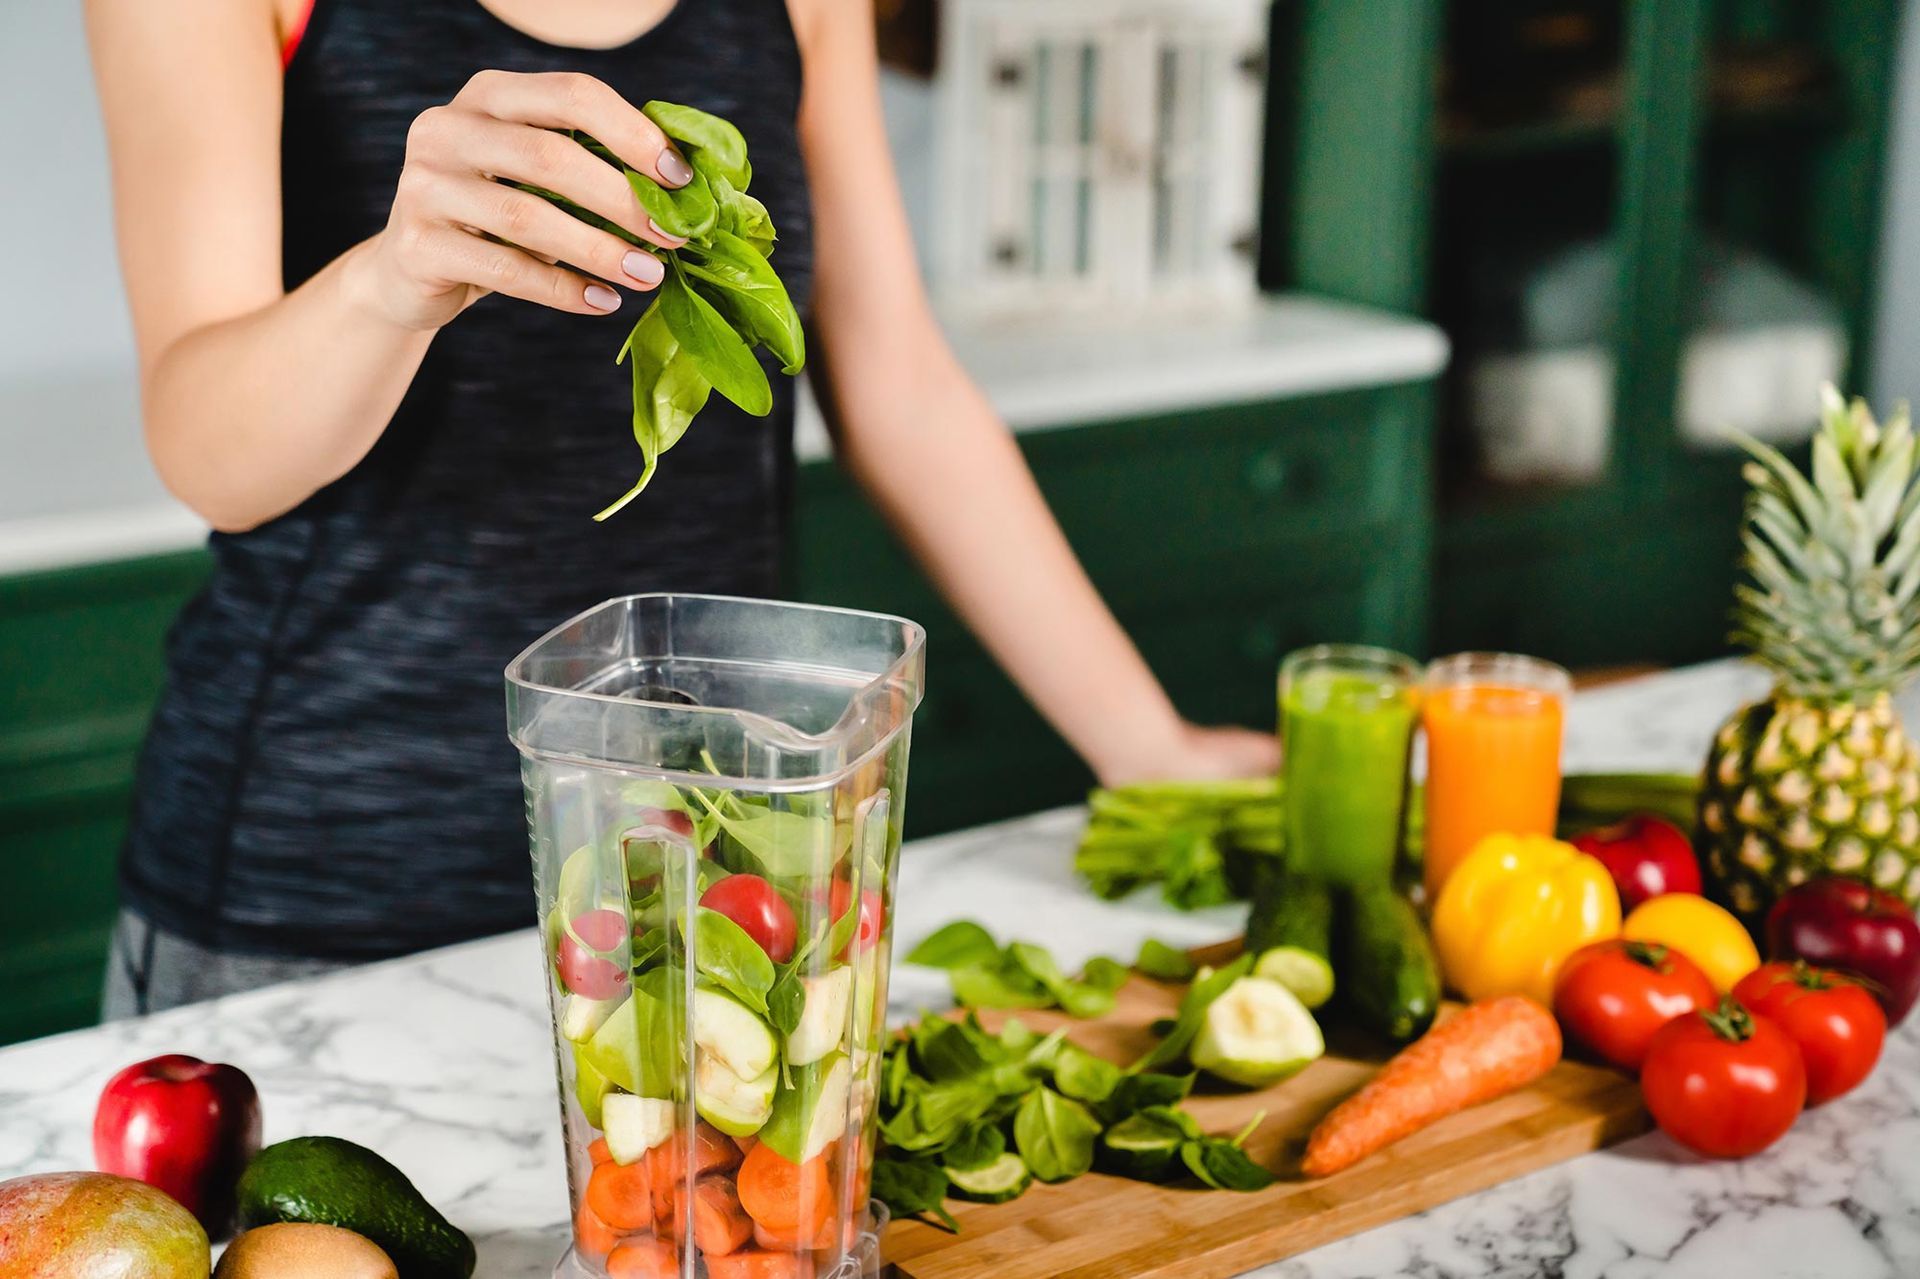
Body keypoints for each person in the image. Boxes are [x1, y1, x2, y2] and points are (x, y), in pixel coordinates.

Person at [85, 0, 1278, 1016]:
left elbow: (899, 384)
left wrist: (1150, 749)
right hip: (322, 893)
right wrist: (392, 282)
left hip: (704, 876)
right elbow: (206, 447)